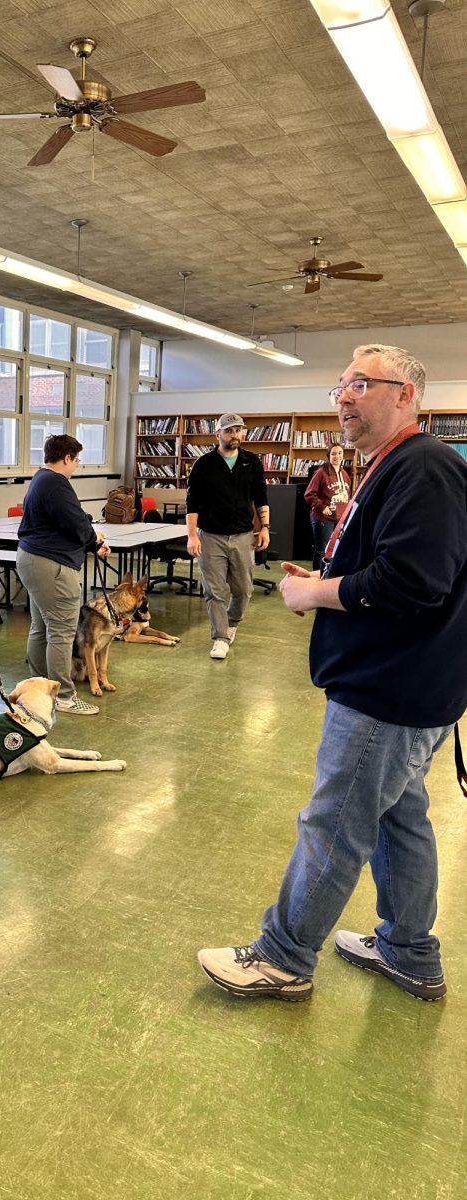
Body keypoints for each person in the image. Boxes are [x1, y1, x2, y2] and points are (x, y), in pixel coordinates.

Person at [198, 344, 467, 1004]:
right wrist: (329, 579)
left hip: (390, 691)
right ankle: (409, 950)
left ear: (406, 394)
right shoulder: (396, 466)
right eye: (339, 385)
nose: (343, 396)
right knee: (398, 820)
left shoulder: (423, 468)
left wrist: (318, 595)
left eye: (360, 384)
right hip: (408, 685)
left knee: (336, 823)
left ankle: (284, 957)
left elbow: (414, 582)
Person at [16, 434, 110, 716]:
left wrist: (88, 532)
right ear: (67, 457)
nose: (76, 465)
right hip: (52, 564)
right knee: (61, 631)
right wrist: (95, 540)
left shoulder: (40, 479)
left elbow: (73, 518)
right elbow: (75, 522)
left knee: (41, 628)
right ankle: (64, 697)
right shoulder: (56, 483)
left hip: (33, 559)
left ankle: (39, 688)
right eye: (76, 460)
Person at [185, 413, 270, 659]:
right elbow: (192, 503)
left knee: (243, 589)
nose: (235, 435)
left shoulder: (252, 462)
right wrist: (192, 536)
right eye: (230, 430)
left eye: (239, 430)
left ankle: (231, 624)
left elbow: (261, 496)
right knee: (214, 591)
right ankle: (220, 637)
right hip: (211, 536)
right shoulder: (204, 464)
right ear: (218, 434)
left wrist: (264, 526)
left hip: (243, 535)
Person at [303, 443, 351, 571]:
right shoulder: (321, 473)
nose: (337, 456)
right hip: (323, 518)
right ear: (328, 456)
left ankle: (327, 577)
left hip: (339, 519)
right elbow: (309, 494)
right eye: (334, 453)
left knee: (335, 552)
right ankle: (317, 579)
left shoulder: (345, 474)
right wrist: (322, 506)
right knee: (321, 551)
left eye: (340, 453)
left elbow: (348, 496)